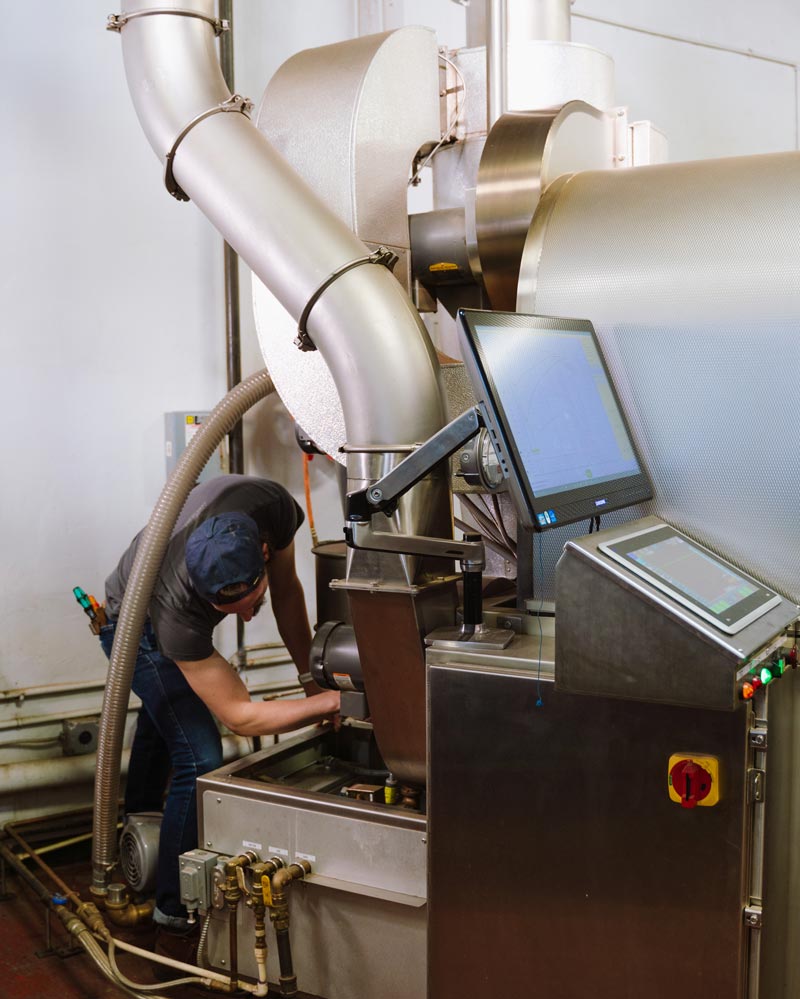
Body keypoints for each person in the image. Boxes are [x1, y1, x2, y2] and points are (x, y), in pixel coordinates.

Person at [100, 475, 340, 941]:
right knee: (200, 755)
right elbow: (239, 715)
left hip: (169, 598)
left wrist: (312, 679)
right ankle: (172, 907)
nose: (247, 617)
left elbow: (288, 590)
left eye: (252, 604)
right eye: (228, 611)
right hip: (133, 625)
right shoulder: (176, 613)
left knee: (168, 719)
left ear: (263, 553)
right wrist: (328, 702)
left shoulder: (273, 506)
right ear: (202, 595)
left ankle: (143, 827)